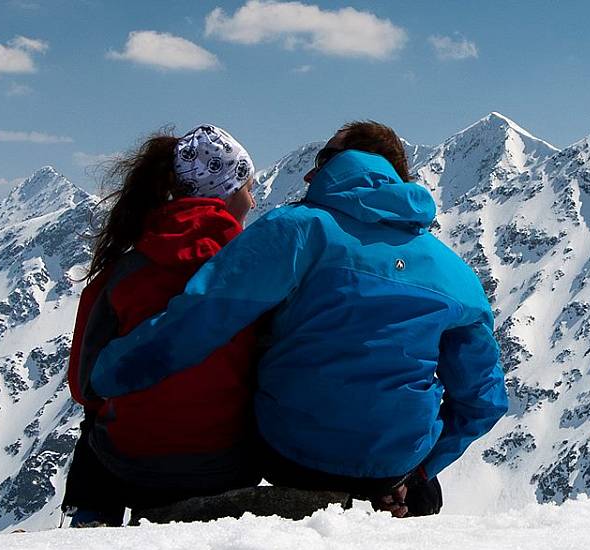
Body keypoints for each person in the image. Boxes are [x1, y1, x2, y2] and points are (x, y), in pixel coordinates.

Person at [87, 121, 508, 518]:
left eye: (323, 159)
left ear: (343, 164)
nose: (309, 175)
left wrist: (107, 374)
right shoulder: (455, 273)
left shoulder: (296, 230)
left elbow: (200, 319)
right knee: (422, 480)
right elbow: (484, 400)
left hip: (293, 456)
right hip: (393, 465)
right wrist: (420, 469)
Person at [62, 125, 265, 527]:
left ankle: (91, 521)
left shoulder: (125, 269)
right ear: (224, 189)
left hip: (129, 465)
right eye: (246, 186)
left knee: (93, 428)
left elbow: (84, 384)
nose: (253, 199)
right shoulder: (255, 269)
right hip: (226, 466)